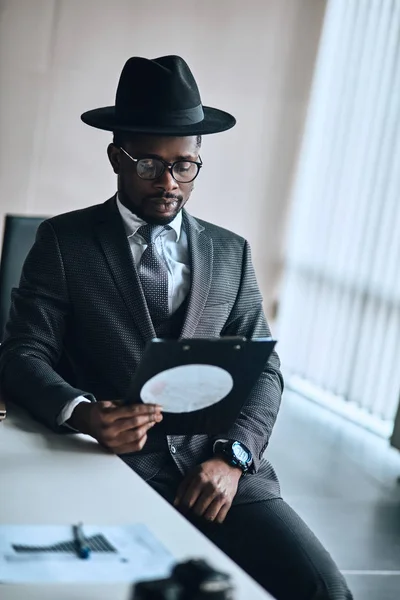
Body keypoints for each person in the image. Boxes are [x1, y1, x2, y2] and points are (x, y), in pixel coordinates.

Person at [0, 55, 352, 600]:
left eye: (184, 165)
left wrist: (234, 456)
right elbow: (24, 352)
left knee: (323, 589)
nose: (168, 182)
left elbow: (266, 369)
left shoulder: (232, 252)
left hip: (221, 466)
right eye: (148, 165)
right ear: (116, 157)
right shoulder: (63, 242)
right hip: (106, 464)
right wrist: (85, 412)